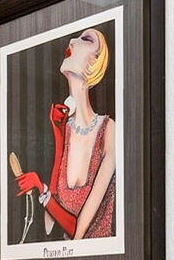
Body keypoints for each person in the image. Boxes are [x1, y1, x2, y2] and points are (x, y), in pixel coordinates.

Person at [13, 25, 119, 240]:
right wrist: (60, 138)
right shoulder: (62, 128)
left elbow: (79, 234)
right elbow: (49, 226)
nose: (72, 41)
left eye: (86, 40)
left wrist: (41, 190)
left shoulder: (109, 131)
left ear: (94, 62)